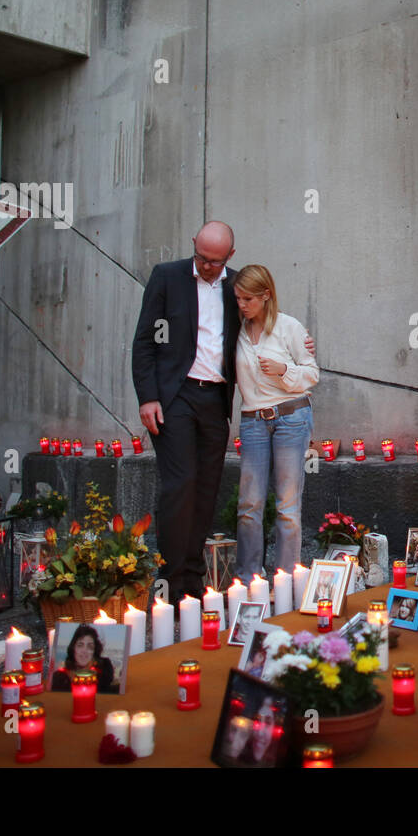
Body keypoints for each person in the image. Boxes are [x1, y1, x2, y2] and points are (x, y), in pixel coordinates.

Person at [131, 225, 313, 600]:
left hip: (216, 400)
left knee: (207, 487)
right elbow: (145, 340)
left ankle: (195, 581)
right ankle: (172, 579)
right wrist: (148, 396)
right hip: (175, 397)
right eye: (200, 258)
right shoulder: (166, 277)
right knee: (179, 485)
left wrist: (299, 340)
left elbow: (266, 312)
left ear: (229, 256)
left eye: (214, 261)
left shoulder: (236, 288)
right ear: (193, 246)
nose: (206, 267)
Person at [232, 264, 319, 582]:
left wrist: (284, 370)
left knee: (287, 503)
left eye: (248, 299)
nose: (241, 304)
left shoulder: (289, 327)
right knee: (249, 503)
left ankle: (285, 580)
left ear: (266, 296)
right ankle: (247, 579)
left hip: (291, 417)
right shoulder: (236, 329)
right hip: (253, 420)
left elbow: (312, 374)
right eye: (238, 298)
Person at [50, 624, 117, 693]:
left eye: (90, 647)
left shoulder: (104, 670)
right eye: (80, 645)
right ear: (73, 648)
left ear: (94, 651)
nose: (84, 651)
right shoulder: (59, 677)